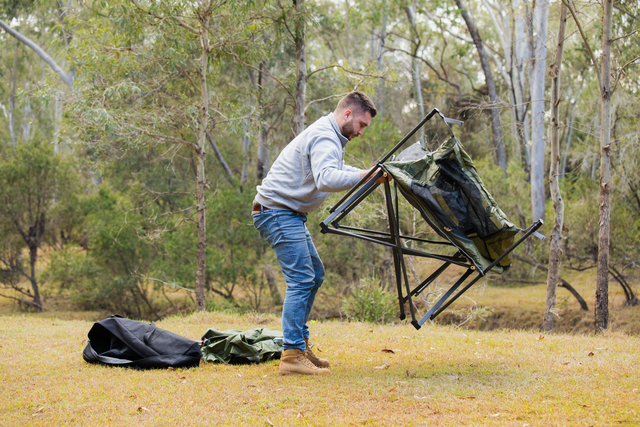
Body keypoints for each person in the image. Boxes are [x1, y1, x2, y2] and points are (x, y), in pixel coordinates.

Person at [253, 91, 384, 375]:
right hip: (276, 212)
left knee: (315, 274)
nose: (362, 132)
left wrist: (367, 172)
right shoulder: (326, 136)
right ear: (347, 114)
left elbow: (333, 169)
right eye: (362, 124)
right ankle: (291, 356)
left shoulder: (330, 135)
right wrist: (365, 175)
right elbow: (326, 178)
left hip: (284, 213)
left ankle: (298, 344)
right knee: (302, 279)